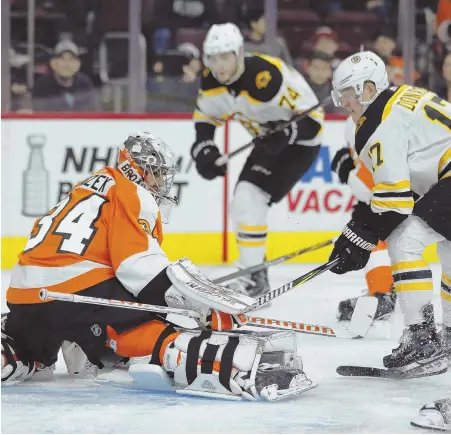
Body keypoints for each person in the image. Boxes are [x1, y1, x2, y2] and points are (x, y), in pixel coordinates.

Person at [1, 132, 315, 402]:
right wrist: (201, 305)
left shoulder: (89, 186)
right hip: (76, 294)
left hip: (24, 295)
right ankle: (236, 366)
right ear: (137, 168)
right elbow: (139, 269)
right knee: (149, 329)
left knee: (29, 348)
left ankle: (16, 350)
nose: (161, 181)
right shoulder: (131, 191)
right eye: (157, 172)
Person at [328, 50, 451, 377]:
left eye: (347, 96)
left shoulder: (379, 121)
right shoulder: (399, 102)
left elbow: (395, 202)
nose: (345, 105)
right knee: (448, 250)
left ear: (368, 90)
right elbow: (401, 193)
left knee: (405, 240)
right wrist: (359, 230)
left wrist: (357, 236)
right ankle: (446, 343)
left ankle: (424, 339)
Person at [190, 23, 324, 297]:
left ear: (239, 53)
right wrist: (204, 147)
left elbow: (313, 123)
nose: (219, 66)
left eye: (225, 56)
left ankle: (253, 280)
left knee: (249, 201)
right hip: (268, 141)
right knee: (242, 204)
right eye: (213, 58)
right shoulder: (211, 81)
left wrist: (287, 132)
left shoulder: (268, 76)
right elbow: (206, 117)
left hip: (300, 145)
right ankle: (256, 277)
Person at [331, 112, 395, 323]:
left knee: (370, 228)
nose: (346, 102)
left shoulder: (380, 115)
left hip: (405, 186)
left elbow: (371, 183)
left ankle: (383, 293)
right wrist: (348, 158)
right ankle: (386, 290)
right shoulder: (354, 119)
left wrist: (351, 175)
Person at [32, 40, 99, 112]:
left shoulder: (84, 82)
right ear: (53, 62)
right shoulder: (42, 84)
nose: (67, 64)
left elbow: (92, 110)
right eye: (62, 59)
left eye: (71, 59)